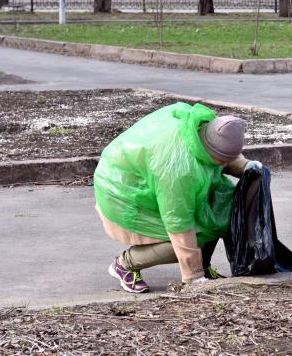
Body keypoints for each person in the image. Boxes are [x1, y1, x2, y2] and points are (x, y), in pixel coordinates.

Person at [94, 101, 261, 293]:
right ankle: (124, 264)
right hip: (121, 190)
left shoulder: (208, 128)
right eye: (222, 160)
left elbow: (226, 153)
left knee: (220, 210)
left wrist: (246, 166)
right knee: (183, 243)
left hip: (148, 177)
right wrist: (193, 277)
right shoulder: (177, 169)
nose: (224, 164)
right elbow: (179, 223)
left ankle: (203, 266)